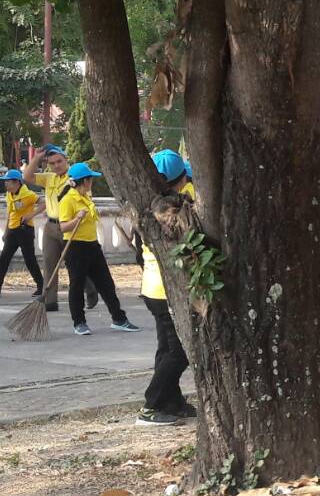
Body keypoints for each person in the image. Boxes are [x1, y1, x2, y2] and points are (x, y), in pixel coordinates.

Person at [136, 150, 196, 426]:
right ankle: (152, 404)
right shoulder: (175, 211)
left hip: (151, 287)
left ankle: (172, 402)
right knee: (180, 352)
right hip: (166, 289)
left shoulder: (148, 205)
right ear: (181, 178)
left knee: (165, 348)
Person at [57, 162, 141, 336]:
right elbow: (63, 227)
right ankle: (79, 322)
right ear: (85, 181)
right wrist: (76, 219)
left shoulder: (86, 197)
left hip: (92, 245)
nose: (91, 183)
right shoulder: (67, 200)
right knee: (77, 286)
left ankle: (119, 318)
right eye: (90, 179)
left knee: (106, 284)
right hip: (75, 247)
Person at [23, 144, 96, 312]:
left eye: (59, 161)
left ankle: (90, 288)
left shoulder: (75, 177)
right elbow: (27, 177)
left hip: (69, 225)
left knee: (73, 263)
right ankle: (50, 301)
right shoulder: (49, 178)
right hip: (51, 225)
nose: (56, 165)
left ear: (66, 160)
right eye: (52, 163)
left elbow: (86, 200)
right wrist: (36, 158)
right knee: (49, 263)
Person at [0, 169, 44, 296]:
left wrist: (31, 215)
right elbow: (10, 213)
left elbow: (44, 203)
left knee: (29, 260)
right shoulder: (9, 194)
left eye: (8, 182)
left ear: (17, 182)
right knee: (4, 259)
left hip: (25, 230)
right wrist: (6, 230)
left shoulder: (28, 194)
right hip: (12, 230)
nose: (5, 184)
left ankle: (42, 286)